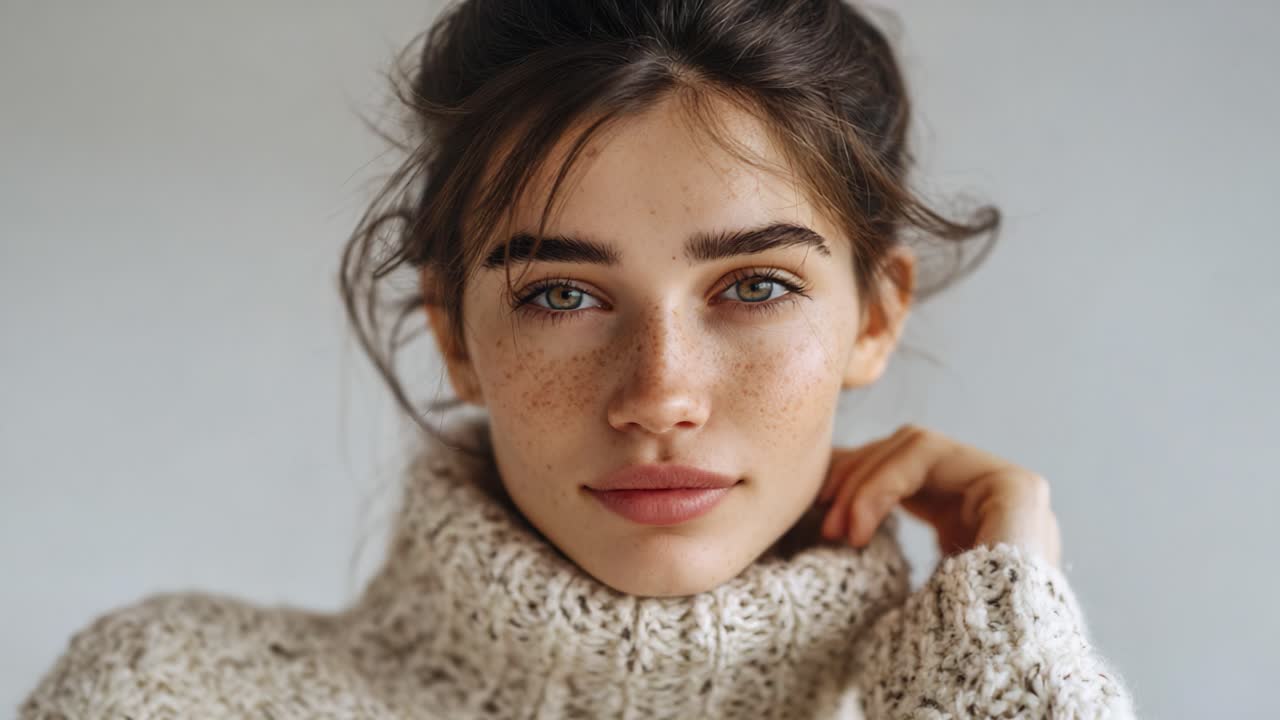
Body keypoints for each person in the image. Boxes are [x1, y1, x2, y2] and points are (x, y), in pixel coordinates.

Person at [21, 1, 1139, 717]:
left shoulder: (997, 689)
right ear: (458, 335)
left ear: (873, 317)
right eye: (560, 294)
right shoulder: (167, 697)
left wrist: (1002, 661)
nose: (659, 394)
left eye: (752, 287)